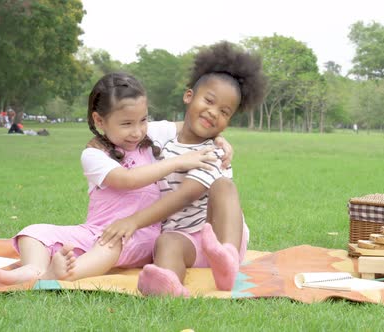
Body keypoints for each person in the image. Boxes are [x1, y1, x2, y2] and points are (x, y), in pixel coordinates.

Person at [0, 72, 233, 288]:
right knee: (34, 232)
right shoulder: (93, 155)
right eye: (126, 124)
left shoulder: (148, 134)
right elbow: (127, 179)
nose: (137, 131)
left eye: (144, 120)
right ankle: (33, 270)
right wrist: (177, 162)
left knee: (111, 244)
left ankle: (67, 274)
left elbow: (193, 123)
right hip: (95, 230)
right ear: (99, 121)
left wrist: (219, 138)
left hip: (140, 233)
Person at [99, 42, 267, 296]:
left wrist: (133, 221)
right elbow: (126, 133)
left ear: (229, 121)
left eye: (224, 111)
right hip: (185, 239)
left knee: (224, 186)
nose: (213, 113)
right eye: (209, 101)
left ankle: (228, 261)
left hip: (219, 233)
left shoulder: (214, 152)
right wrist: (97, 142)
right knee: (166, 242)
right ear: (189, 96)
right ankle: (168, 284)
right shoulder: (162, 143)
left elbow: (186, 194)